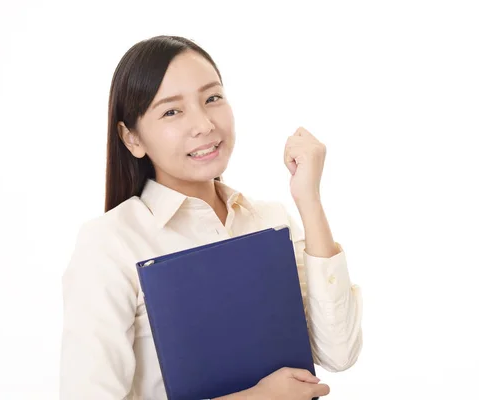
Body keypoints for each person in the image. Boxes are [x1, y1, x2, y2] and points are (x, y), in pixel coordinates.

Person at [59, 35, 363, 400]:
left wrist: (309, 201)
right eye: (172, 111)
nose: (203, 124)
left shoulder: (270, 220)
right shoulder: (111, 243)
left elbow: (339, 353)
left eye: (212, 98)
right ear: (131, 138)